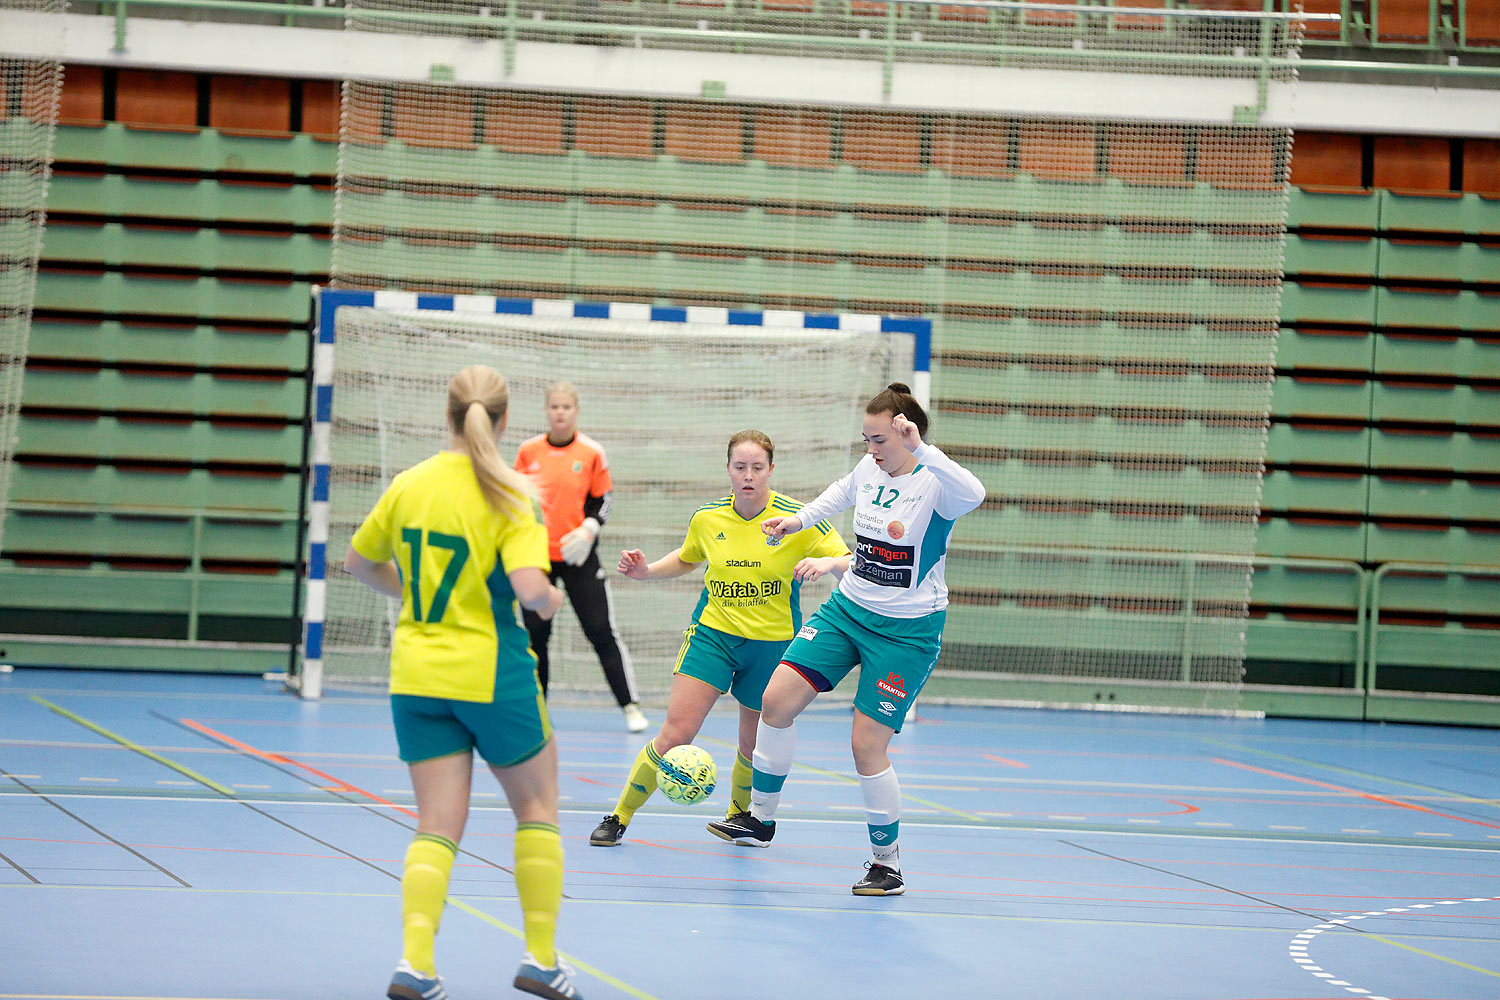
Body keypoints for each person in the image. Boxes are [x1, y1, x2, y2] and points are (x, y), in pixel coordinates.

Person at [343, 365, 584, 1000]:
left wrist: (413, 593)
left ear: (447, 415)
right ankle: (540, 957)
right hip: (491, 673)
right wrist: (556, 599)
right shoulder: (511, 492)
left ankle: (416, 965)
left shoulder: (408, 485)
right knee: (536, 807)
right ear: (503, 422)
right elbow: (531, 590)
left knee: (437, 823)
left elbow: (358, 562)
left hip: (417, 675)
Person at [707, 383, 986, 898]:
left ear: (906, 434)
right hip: (848, 610)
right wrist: (796, 522)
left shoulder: (937, 484)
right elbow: (840, 492)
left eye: (879, 440)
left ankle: (888, 864)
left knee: (865, 745)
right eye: (867, 439)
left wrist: (922, 448)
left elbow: (977, 493)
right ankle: (760, 821)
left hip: (906, 632)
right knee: (775, 700)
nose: (871, 450)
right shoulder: (868, 469)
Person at [588, 429, 851, 848]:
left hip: (772, 645)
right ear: (728, 469)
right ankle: (619, 816)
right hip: (713, 636)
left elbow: (848, 558)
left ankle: (738, 816)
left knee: (753, 742)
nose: (748, 475)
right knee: (676, 733)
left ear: (771, 470)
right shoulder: (708, 518)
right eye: (740, 467)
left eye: (757, 467)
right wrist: (647, 571)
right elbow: (688, 556)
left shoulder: (798, 518)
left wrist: (825, 561)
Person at [515, 381, 648, 733]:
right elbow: (515, 499)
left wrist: (589, 527)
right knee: (535, 636)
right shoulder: (528, 451)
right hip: (537, 558)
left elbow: (603, 498)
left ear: (576, 411)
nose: (560, 412)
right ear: (546, 410)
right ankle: (537, 711)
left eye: (566, 407)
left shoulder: (591, 452)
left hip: (579, 555)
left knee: (601, 630)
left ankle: (630, 706)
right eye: (554, 406)